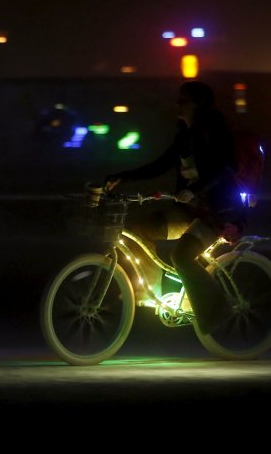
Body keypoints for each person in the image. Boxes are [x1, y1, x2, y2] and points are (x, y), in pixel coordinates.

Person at [104, 80, 244, 334]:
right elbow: (160, 164)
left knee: (180, 256)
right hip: (189, 210)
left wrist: (196, 189)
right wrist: (123, 176)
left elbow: (223, 169)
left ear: (198, 105)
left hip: (217, 212)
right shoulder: (185, 136)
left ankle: (219, 309)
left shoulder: (215, 132)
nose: (177, 105)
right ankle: (151, 295)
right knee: (141, 231)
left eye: (183, 101)